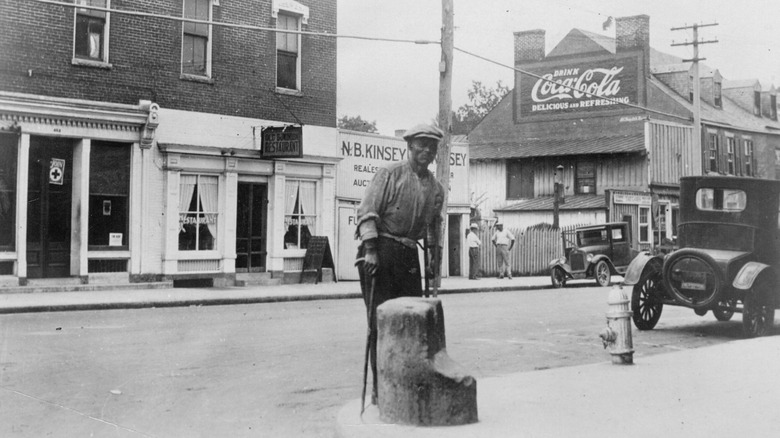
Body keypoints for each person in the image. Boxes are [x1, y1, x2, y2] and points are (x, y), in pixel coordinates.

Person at [354, 123, 445, 405]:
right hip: (380, 250)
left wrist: (433, 258)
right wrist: (370, 249)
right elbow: (367, 212)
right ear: (409, 146)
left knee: (412, 320)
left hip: (408, 255)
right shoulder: (390, 174)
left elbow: (433, 226)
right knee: (380, 323)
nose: (426, 151)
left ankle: (408, 385)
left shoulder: (435, 188)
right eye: (421, 145)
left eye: (432, 147)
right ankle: (380, 390)